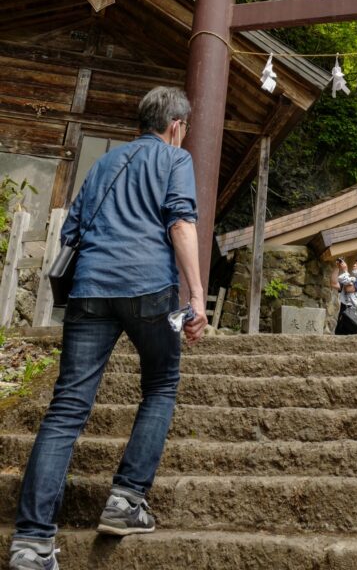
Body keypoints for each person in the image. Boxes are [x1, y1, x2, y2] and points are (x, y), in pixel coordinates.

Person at [9, 86, 208, 570]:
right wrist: (197, 297)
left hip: (91, 289)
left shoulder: (103, 165)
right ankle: (126, 500)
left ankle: (32, 543)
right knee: (160, 385)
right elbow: (181, 224)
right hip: (147, 289)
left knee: (66, 409)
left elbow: (72, 232)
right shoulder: (173, 160)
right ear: (176, 126)